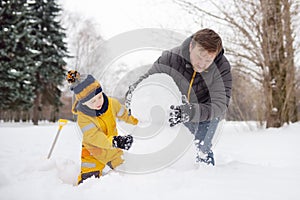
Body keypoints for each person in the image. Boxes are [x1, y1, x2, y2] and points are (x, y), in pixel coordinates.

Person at [125, 28, 232, 166]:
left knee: (201, 148)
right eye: (199, 57)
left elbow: (220, 104)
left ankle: (206, 179)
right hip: (179, 110)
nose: (201, 63)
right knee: (178, 149)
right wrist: (133, 95)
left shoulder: (221, 67)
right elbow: (149, 79)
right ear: (191, 46)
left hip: (208, 112)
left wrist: (190, 111)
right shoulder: (171, 58)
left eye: (208, 60)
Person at [67, 70, 139, 184]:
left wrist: (138, 121)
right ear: (84, 103)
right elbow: (94, 136)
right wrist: (115, 141)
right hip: (93, 152)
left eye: (99, 97)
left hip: (113, 151)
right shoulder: (83, 117)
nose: (97, 102)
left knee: (127, 172)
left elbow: (125, 115)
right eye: (92, 101)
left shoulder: (112, 103)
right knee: (88, 182)